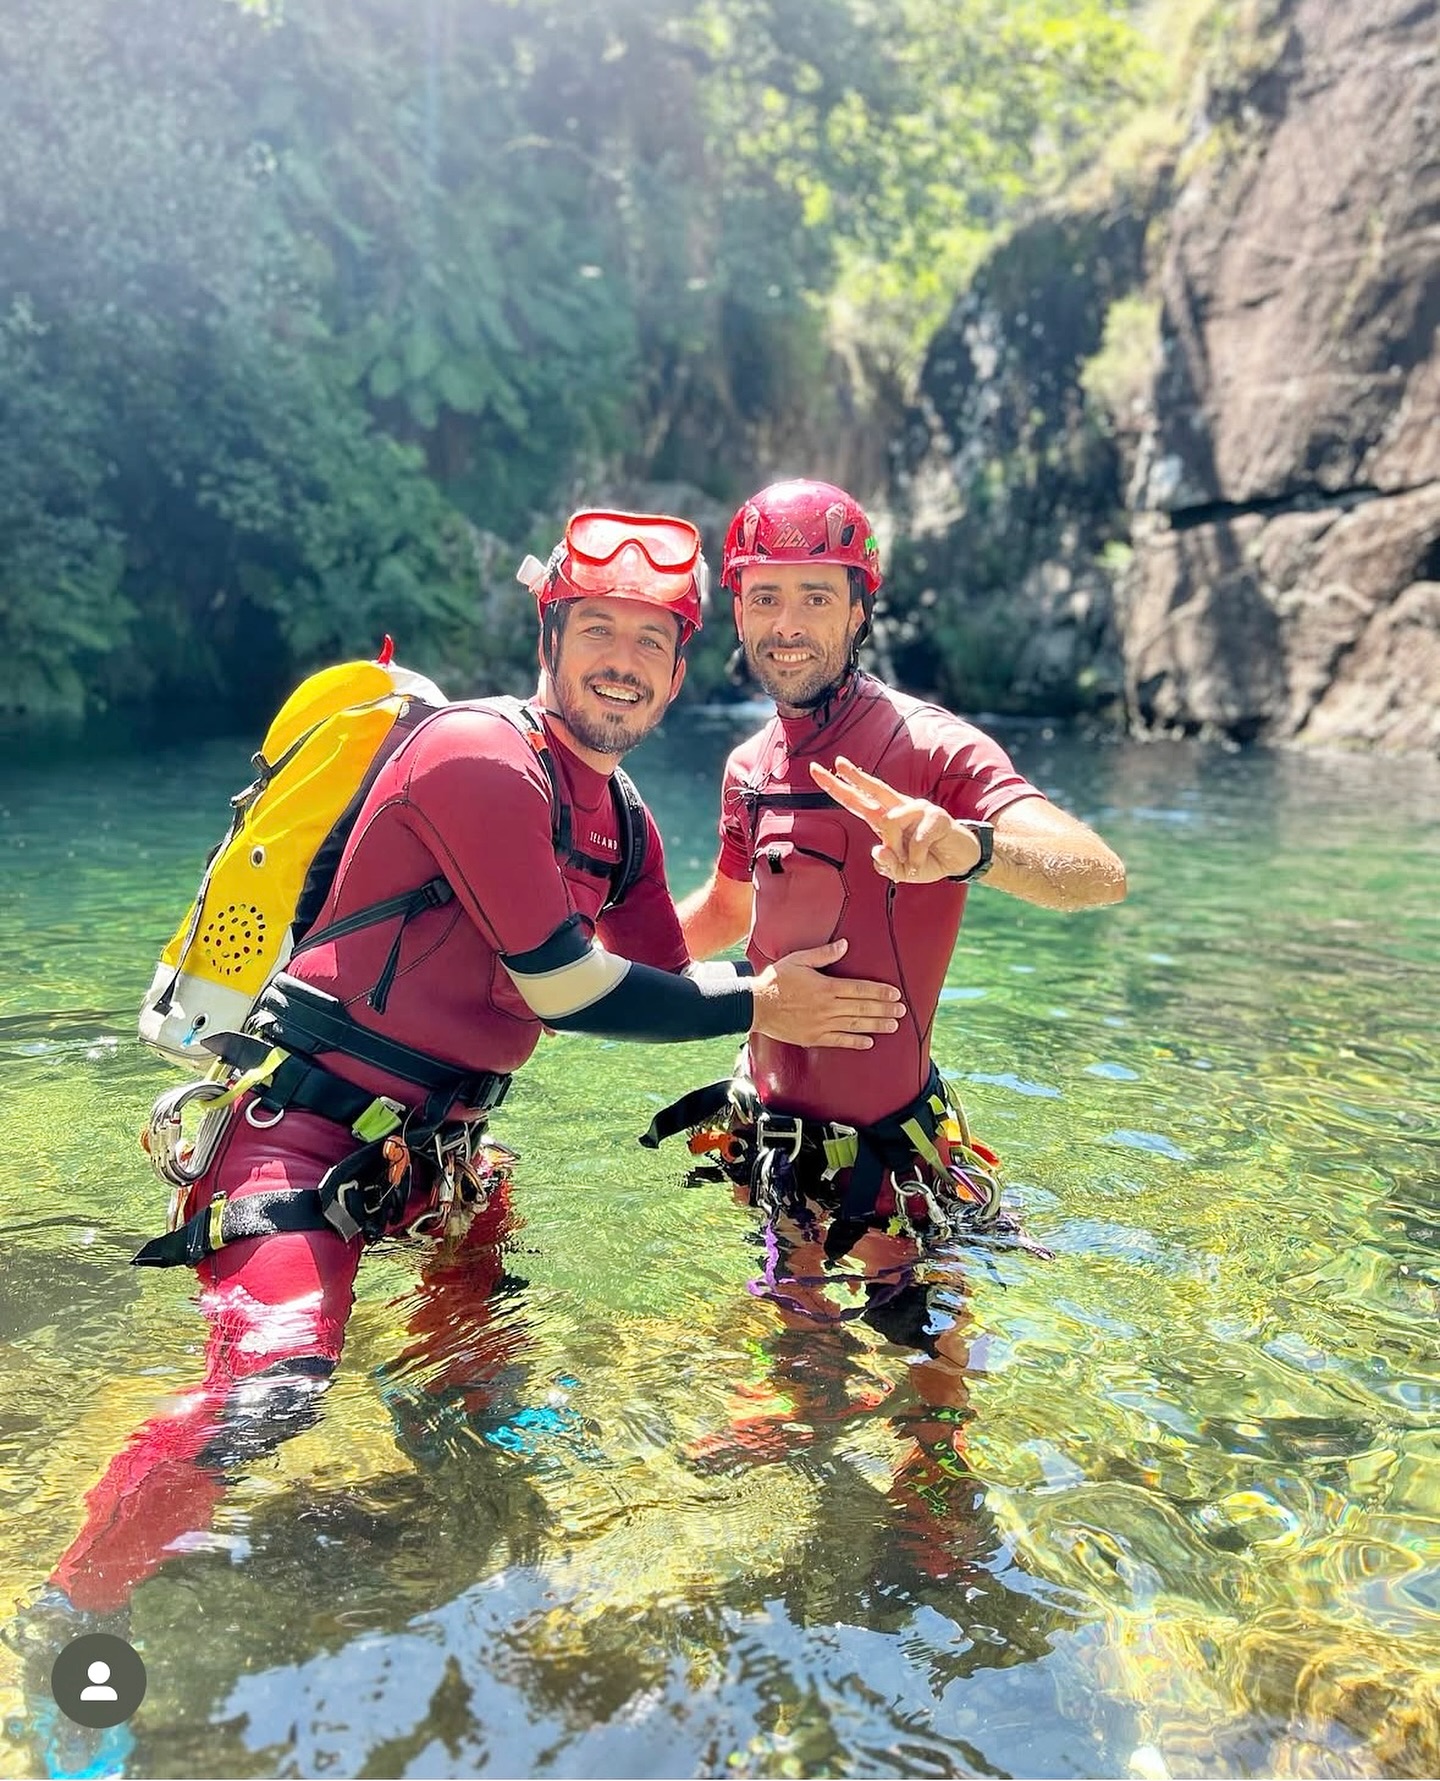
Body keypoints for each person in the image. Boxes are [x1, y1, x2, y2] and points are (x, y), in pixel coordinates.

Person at [44, 508, 906, 1616]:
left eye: (652, 641)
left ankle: (470, 1439)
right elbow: (572, 986)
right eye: (599, 628)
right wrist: (763, 993)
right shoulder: (479, 756)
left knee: (486, 1281)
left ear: (682, 669)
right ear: (549, 636)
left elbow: (669, 971)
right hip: (300, 1139)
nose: (624, 662)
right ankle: (68, 1615)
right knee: (274, 1390)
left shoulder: (623, 819)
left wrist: (851, 939)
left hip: (434, 1154)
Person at [650, 477, 1127, 1260]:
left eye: (815, 596)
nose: (787, 624)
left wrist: (971, 849)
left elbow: (1097, 873)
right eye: (765, 597)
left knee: (935, 1381)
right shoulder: (747, 766)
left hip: (890, 1163)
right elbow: (728, 914)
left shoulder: (932, 749)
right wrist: (581, 960)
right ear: (736, 612)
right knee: (782, 1366)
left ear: (858, 609)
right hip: (770, 1148)